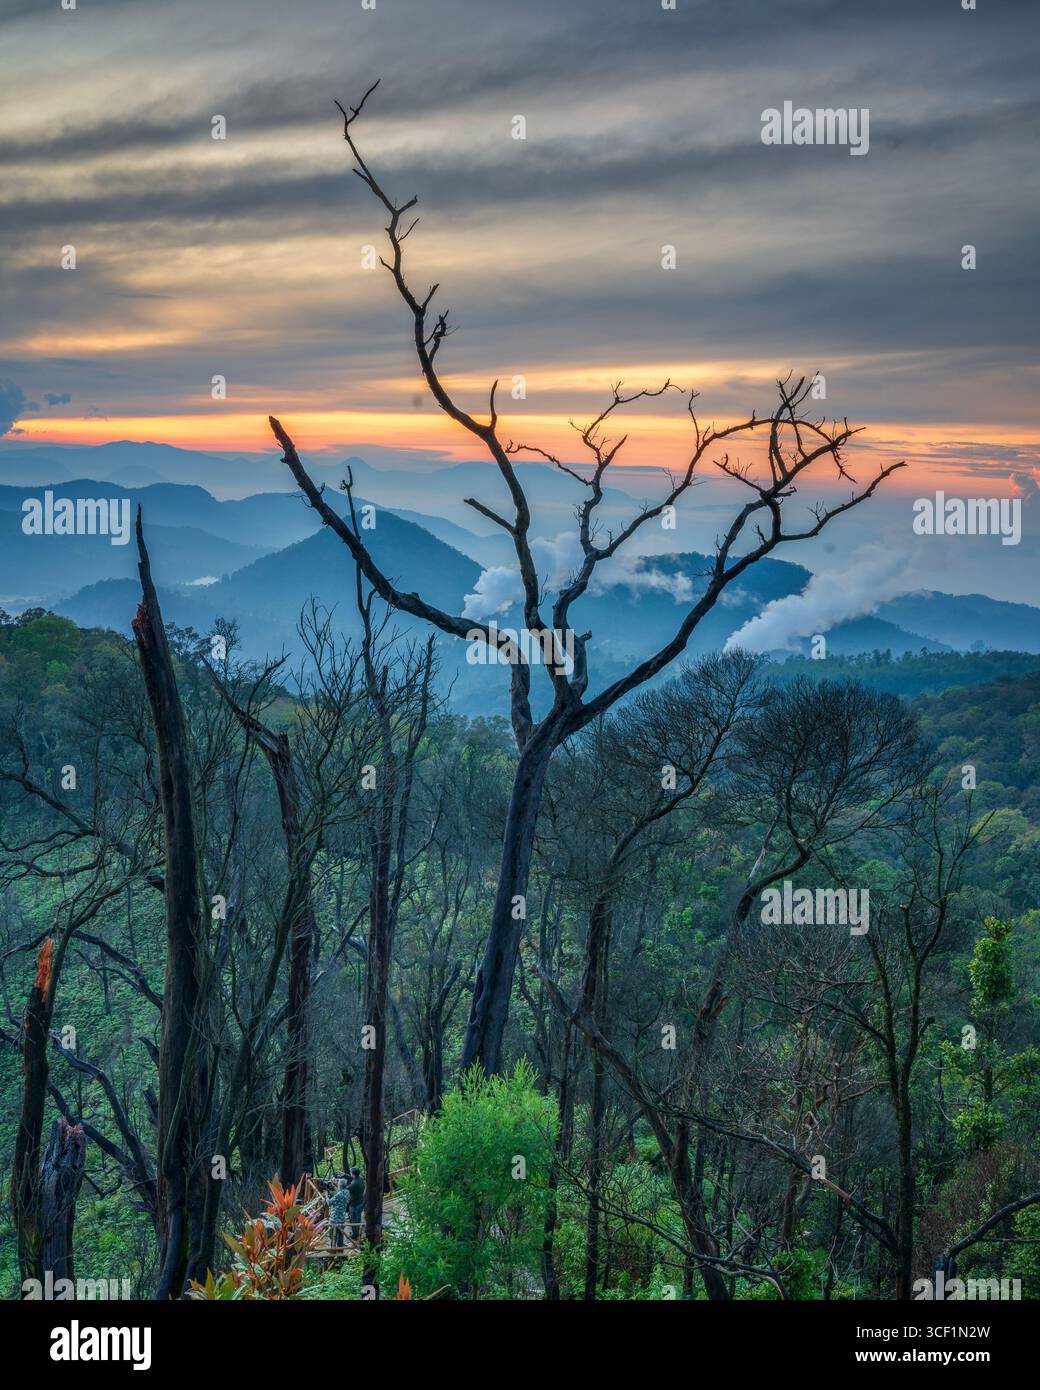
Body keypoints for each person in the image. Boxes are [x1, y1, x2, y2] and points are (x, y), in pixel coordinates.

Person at [327, 1177, 349, 1250]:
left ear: (340, 1185)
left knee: (331, 1232)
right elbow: (340, 1192)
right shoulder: (347, 1192)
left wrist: (326, 1196)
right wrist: (335, 1185)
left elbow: (329, 1203)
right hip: (342, 1215)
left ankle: (332, 1247)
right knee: (340, 1232)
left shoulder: (338, 1195)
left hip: (335, 1216)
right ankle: (340, 1247)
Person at [347, 1166, 365, 1241]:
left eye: (351, 1172)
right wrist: (344, 1175)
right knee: (358, 1218)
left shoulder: (354, 1184)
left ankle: (355, 1234)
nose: (350, 1174)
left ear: (353, 1174)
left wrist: (335, 1183)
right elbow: (353, 1179)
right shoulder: (360, 1179)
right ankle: (357, 1232)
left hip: (354, 1204)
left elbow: (345, 1189)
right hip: (360, 1201)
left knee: (354, 1219)